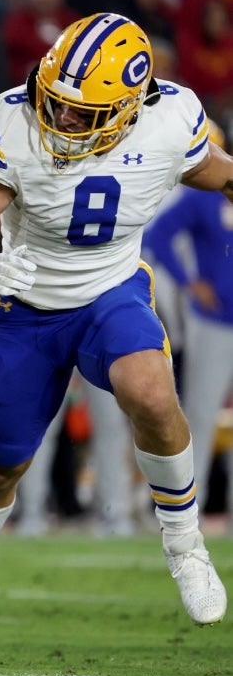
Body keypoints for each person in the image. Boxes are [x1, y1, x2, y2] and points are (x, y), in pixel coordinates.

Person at [0, 12, 231, 668]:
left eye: (79, 112)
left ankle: (183, 542)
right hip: (27, 306)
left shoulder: (170, 121)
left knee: (148, 390)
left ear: (126, 107)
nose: (58, 119)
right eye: (53, 101)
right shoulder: (14, 126)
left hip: (112, 291)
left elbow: (213, 169)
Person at [143, 131, 233, 529]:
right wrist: (188, 280)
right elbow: (157, 235)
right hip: (212, 320)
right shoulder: (206, 191)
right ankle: (184, 518)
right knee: (199, 414)